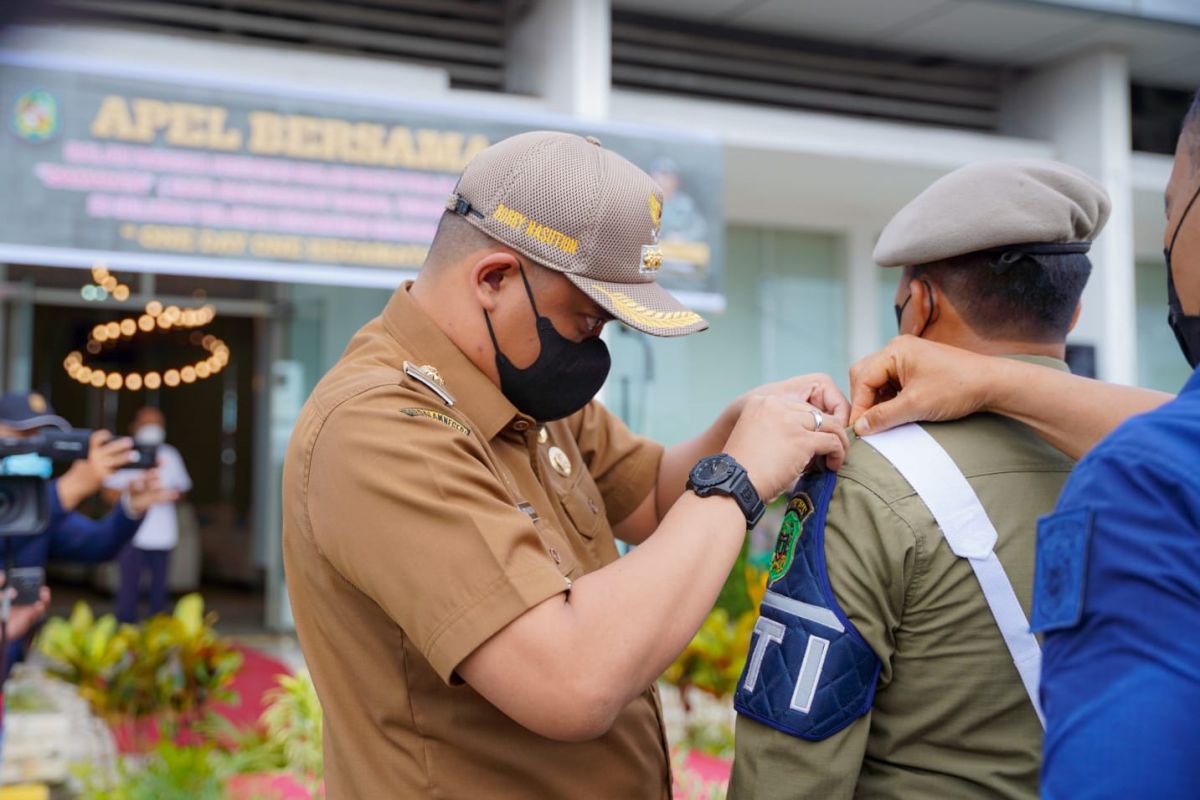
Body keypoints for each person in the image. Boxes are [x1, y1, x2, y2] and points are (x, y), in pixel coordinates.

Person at [282, 130, 850, 798]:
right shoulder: (380, 428)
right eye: (584, 321)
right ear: (493, 278)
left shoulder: (516, 384)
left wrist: (742, 429)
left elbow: (653, 500)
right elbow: (570, 678)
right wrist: (738, 480)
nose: (593, 348)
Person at [847, 96, 1200, 799]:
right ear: (1072, 310)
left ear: (919, 304)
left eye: (1171, 209)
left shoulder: (1141, 480)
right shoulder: (1137, 442)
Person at [728, 159, 1109, 799]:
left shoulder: (864, 474)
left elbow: (788, 769)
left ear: (921, 304)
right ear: (1071, 316)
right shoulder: (1154, 460)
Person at [0, 392, 175, 675]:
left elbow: (97, 544)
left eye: (42, 439)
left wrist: (131, 507)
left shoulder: (37, 501)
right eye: (22, 435)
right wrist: (68, 490)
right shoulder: (51, 500)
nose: (33, 447)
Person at [104, 407, 192, 622]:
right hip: (131, 533)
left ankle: (156, 634)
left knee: (159, 591)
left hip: (162, 535)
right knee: (128, 588)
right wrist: (137, 492)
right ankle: (125, 628)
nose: (153, 429)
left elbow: (183, 489)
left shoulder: (170, 455)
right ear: (134, 427)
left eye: (157, 424)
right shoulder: (123, 454)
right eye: (147, 424)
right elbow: (108, 492)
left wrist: (166, 493)